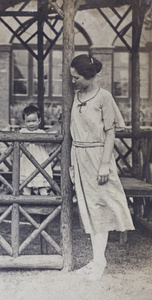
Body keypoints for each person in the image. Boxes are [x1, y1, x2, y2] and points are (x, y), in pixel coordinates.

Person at [70, 54, 135, 280]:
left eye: (76, 77)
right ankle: (96, 259)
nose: (73, 81)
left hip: (98, 157)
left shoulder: (104, 97)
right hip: (78, 156)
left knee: (101, 207)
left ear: (89, 76)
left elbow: (111, 133)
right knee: (88, 208)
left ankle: (99, 262)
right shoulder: (75, 95)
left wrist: (105, 165)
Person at [20, 105, 52, 195]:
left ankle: (44, 201)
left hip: (40, 161)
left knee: (41, 183)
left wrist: (36, 139)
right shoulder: (22, 132)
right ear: (24, 122)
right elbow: (19, 146)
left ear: (39, 121)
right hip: (27, 162)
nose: (31, 124)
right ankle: (26, 204)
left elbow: (45, 143)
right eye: (28, 121)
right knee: (26, 184)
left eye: (34, 121)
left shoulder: (41, 133)